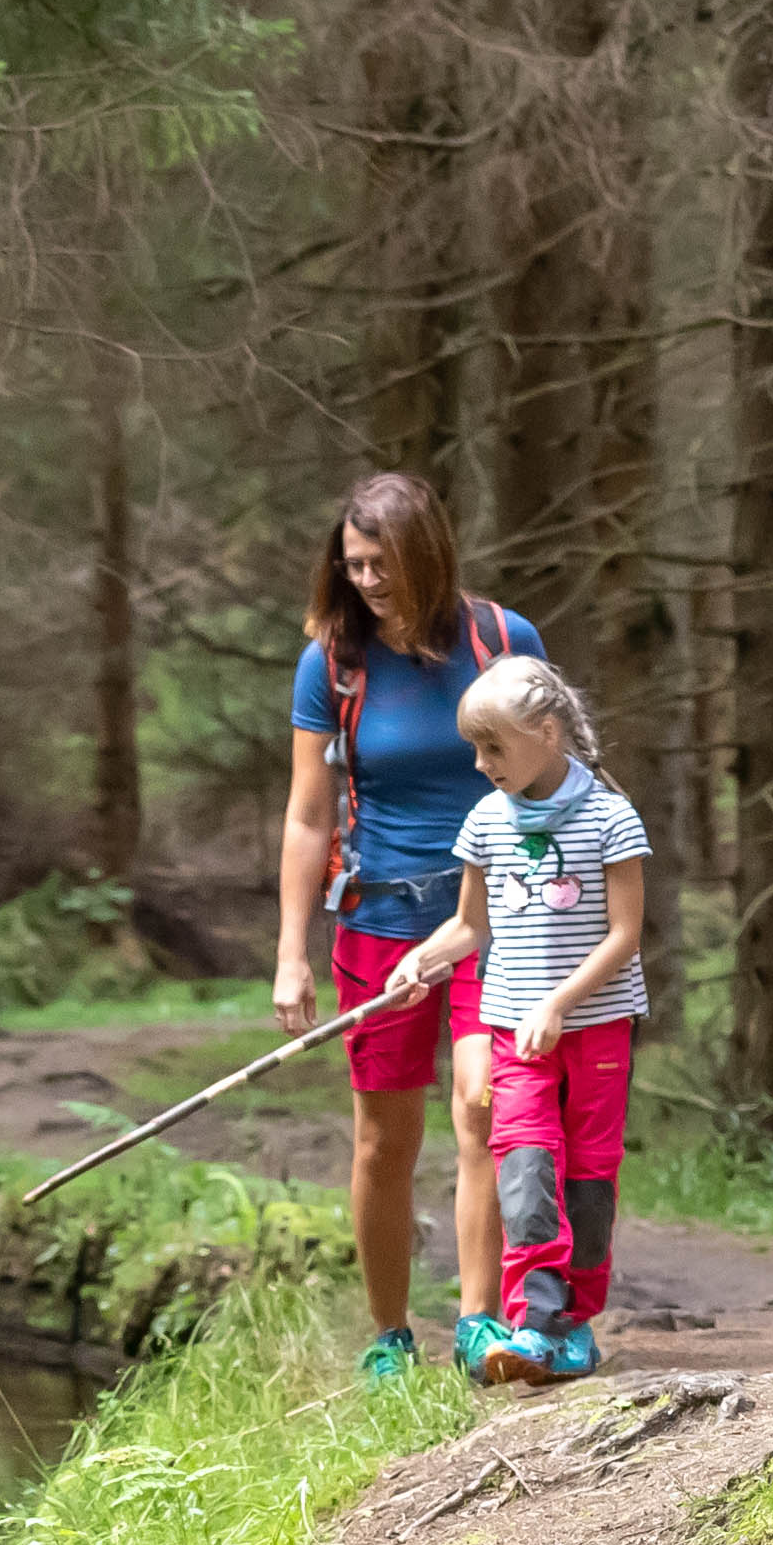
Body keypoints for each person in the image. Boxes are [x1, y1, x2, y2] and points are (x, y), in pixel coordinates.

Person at [268, 475, 548, 1380]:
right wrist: (290, 957)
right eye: (353, 566)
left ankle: (478, 1324)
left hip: (490, 920)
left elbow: (553, 780)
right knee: (385, 1140)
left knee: (483, 1107)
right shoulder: (334, 664)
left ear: (425, 554)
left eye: (383, 563)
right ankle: (390, 1335)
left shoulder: (504, 642)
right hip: (380, 923)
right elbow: (309, 818)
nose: (369, 581)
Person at [378, 654, 651, 1386]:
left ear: (548, 732)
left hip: (595, 1029)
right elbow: (471, 927)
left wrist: (559, 1004)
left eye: (494, 746)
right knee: (526, 1171)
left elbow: (625, 935)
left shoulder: (609, 818)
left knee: (589, 1179)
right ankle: (532, 1321)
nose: (481, 764)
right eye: (476, 747)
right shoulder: (486, 823)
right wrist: (422, 961)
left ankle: (574, 1323)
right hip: (512, 1033)